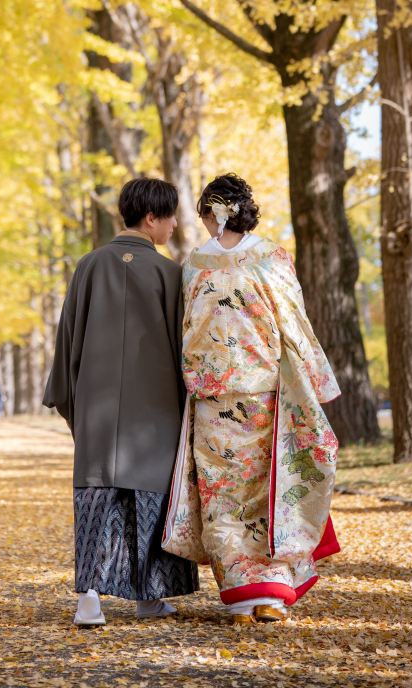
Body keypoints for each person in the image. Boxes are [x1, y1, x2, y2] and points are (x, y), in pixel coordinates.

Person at [162, 173, 341, 627]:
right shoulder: (270, 257)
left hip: (211, 398)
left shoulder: (194, 264)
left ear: (212, 213)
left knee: (223, 493)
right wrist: (318, 381)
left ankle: (240, 598)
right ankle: (273, 597)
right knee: (268, 491)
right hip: (262, 394)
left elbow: (185, 326)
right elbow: (294, 321)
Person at [43, 177, 199, 627]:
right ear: (151, 218)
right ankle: (149, 598)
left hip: (98, 404)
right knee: (150, 498)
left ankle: (89, 601)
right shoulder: (172, 273)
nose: (172, 225)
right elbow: (184, 348)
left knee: (98, 497)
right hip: (155, 410)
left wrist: (67, 393)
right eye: (169, 217)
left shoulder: (89, 265)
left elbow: (68, 338)